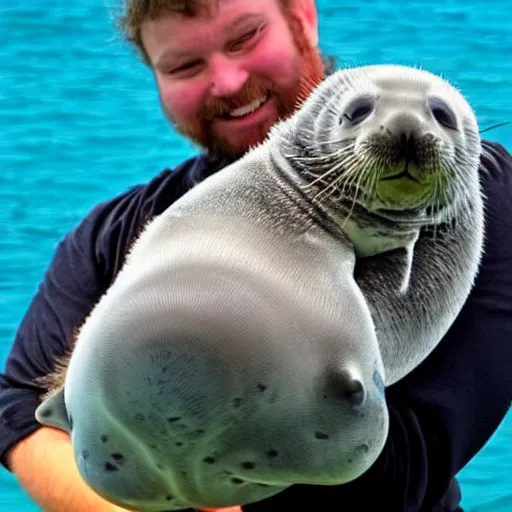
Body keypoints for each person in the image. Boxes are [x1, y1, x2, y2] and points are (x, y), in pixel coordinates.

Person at [1, 0, 511, 511]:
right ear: (155, 80)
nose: (225, 81)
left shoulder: (479, 194)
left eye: (244, 38)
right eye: (185, 66)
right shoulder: (117, 230)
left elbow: (404, 469)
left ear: (303, 20)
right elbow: (21, 409)